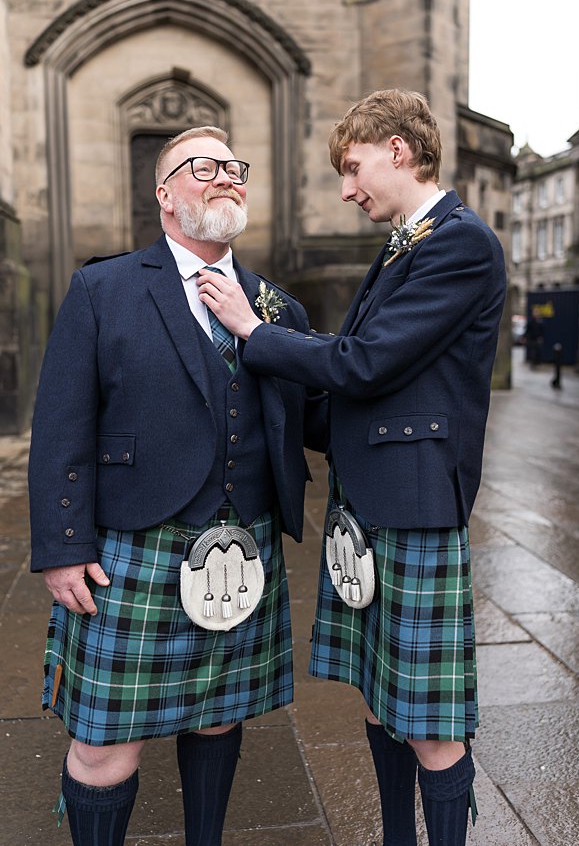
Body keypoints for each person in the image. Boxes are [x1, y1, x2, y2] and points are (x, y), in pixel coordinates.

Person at [201, 90, 505, 845]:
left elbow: (364, 363)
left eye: (354, 166)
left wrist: (250, 330)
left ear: (399, 149)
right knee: (379, 695)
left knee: (429, 718)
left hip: (413, 505)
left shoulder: (461, 243)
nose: (346, 188)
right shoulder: (406, 241)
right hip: (368, 501)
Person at [29, 126, 316, 844]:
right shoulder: (104, 287)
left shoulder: (279, 308)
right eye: (202, 167)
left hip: (243, 548)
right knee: (102, 745)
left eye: (234, 167)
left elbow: (322, 410)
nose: (225, 176)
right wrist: (64, 544)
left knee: (219, 714)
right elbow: (63, 422)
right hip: (133, 543)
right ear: (164, 194)